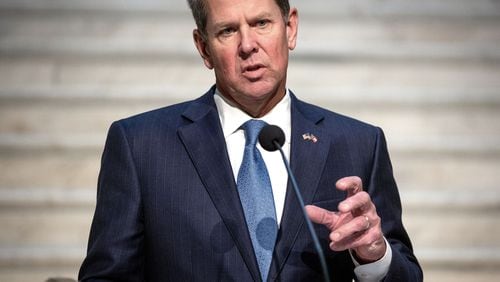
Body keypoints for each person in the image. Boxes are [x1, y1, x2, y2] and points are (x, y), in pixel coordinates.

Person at [79, 0, 423, 281]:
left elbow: (405, 274)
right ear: (204, 48)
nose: (248, 46)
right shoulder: (141, 145)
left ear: (290, 28)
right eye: (228, 31)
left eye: (261, 23)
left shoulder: (359, 143)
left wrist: (374, 257)